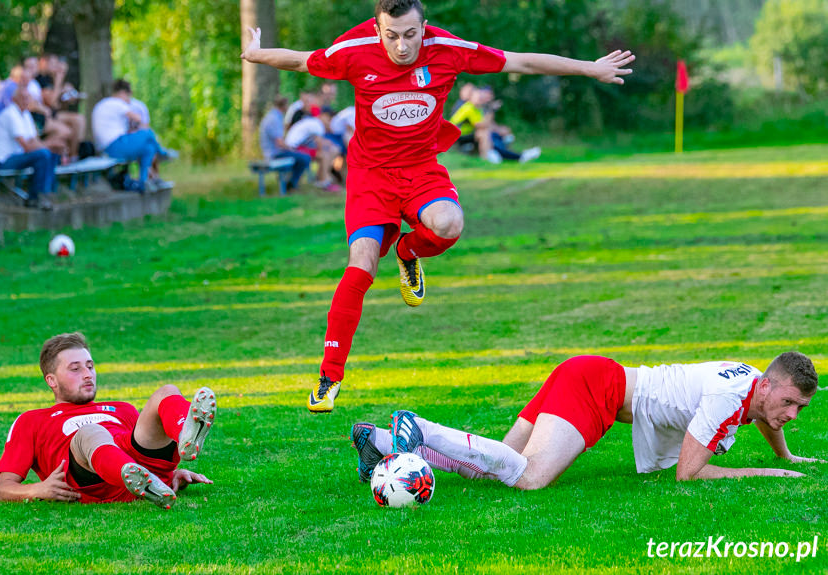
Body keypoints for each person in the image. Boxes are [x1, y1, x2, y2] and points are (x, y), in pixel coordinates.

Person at [241, 0, 634, 413]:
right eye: (391, 35)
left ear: (424, 27)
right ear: (378, 29)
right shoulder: (353, 50)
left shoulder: (448, 49)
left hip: (420, 169)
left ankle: (408, 252)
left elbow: (522, 62)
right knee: (360, 265)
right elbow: (302, 62)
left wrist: (590, 67)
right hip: (370, 176)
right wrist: (255, 54)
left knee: (449, 223)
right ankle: (329, 376)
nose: (402, 46)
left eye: (410, 35)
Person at [351, 352, 823, 488]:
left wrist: (786, 449)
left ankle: (385, 443)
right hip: (596, 387)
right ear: (764, 384)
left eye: (799, 408)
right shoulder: (727, 396)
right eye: (789, 402)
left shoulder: (751, 384)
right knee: (530, 477)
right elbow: (688, 472)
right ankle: (422, 428)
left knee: (499, 463)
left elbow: (766, 417)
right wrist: (767, 471)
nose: (791, 414)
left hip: (589, 372)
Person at [0, 332, 216, 509]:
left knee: (166, 392)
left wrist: (172, 474)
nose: (88, 374)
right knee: (91, 432)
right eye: (75, 369)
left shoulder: (122, 409)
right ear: (51, 380)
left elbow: (145, 441)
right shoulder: (31, 420)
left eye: (90, 366)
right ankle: (136, 476)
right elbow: (2, 490)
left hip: (137, 461)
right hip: (91, 478)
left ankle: (184, 437)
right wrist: (37, 490)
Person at [92, 79, 167, 193]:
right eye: (128, 96)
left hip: (107, 146)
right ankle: (161, 152)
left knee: (148, 148)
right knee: (147, 133)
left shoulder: (104, 103)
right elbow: (139, 120)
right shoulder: (117, 103)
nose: (129, 100)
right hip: (114, 146)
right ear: (123, 93)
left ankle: (143, 182)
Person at [0, 88, 58, 210]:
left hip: (17, 157)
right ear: (14, 99)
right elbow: (26, 146)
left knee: (51, 154)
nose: (26, 101)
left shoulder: (25, 114)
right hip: (2, 161)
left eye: (28, 98)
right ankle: (35, 197)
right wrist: (49, 144)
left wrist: (51, 147)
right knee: (43, 154)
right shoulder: (10, 114)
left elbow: (34, 140)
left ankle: (46, 194)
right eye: (23, 98)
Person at [450, 85, 540, 163]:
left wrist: (499, 129)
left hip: (465, 134)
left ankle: (514, 155)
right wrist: (491, 110)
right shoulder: (469, 107)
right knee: (484, 134)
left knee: (492, 134)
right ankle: (488, 157)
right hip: (454, 137)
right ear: (471, 97)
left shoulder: (477, 108)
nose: (480, 98)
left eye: (480, 96)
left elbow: (487, 124)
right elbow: (482, 125)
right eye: (478, 96)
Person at [259, 95, 312, 191]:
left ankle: (289, 181)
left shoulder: (274, 115)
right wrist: (290, 148)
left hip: (273, 152)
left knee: (299, 156)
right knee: (305, 158)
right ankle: (291, 184)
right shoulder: (274, 118)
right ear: (284, 105)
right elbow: (279, 142)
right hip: (274, 154)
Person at [284, 108, 342, 191]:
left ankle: (322, 178)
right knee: (324, 156)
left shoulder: (313, 122)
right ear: (323, 116)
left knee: (330, 151)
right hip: (294, 148)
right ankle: (324, 182)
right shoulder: (318, 124)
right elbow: (319, 145)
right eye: (329, 120)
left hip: (296, 147)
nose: (329, 123)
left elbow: (318, 141)